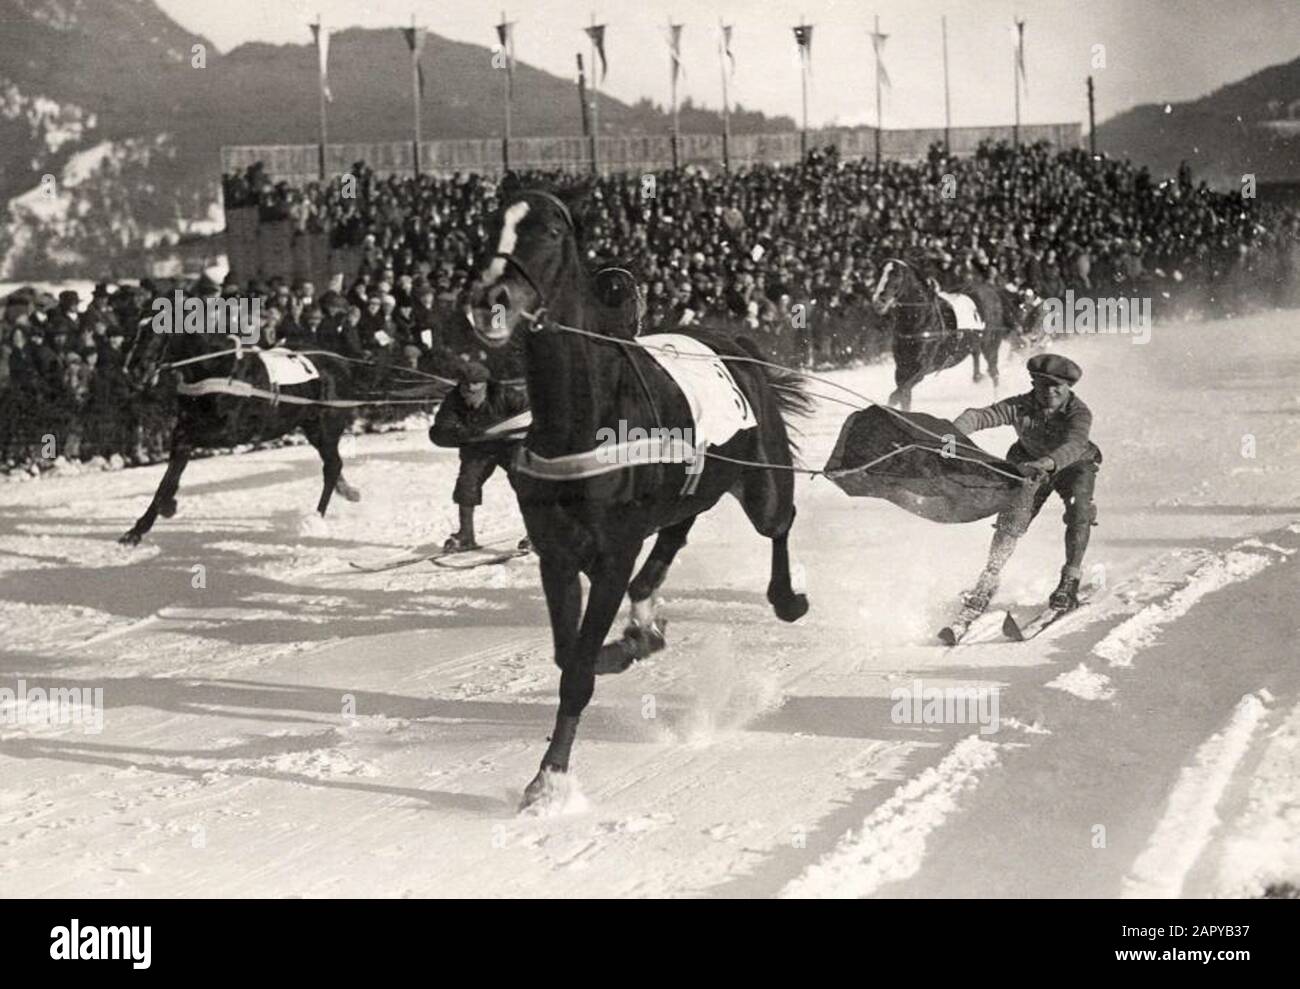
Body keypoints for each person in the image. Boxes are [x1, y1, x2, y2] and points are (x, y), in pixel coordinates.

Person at [950, 353, 1101, 618]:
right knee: (1012, 519)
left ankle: (1070, 580)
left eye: (1058, 386)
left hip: (1073, 465)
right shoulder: (1020, 406)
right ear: (1034, 384)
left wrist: (1047, 462)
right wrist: (953, 434)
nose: (1051, 392)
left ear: (1068, 388)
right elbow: (979, 416)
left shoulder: (1079, 413)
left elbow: (1075, 445)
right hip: (1030, 466)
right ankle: (989, 577)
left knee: (1080, 512)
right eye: (1044, 385)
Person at [428, 361, 529, 551]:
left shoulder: (505, 393)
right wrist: (467, 434)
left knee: (523, 481)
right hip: (477, 448)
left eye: (476, 383)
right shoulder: (452, 401)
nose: (471, 388)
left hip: (510, 446)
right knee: (466, 484)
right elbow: (442, 429)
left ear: (485, 383)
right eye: (465, 384)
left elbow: (529, 414)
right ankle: (466, 535)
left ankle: (536, 532)